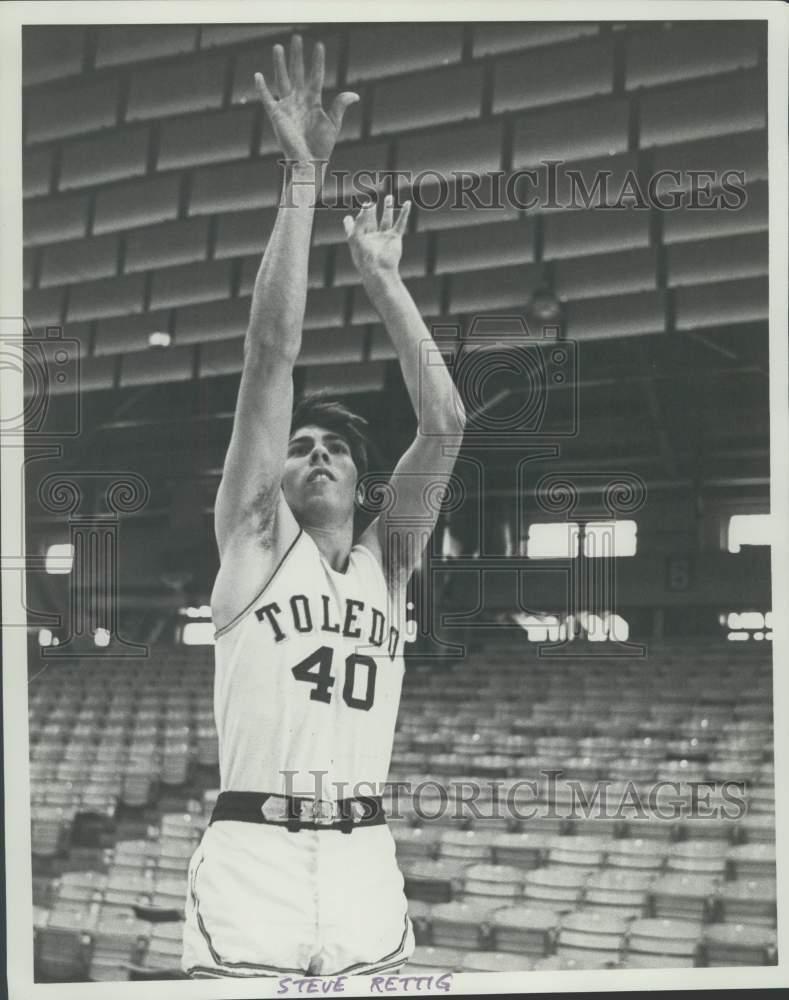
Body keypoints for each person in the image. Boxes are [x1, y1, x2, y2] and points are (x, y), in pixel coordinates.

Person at [181, 35, 465, 979]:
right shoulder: (255, 542)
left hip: (364, 863)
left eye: (334, 446)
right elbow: (272, 355)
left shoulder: (389, 565)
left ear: (361, 483)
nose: (313, 452)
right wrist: (303, 182)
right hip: (254, 856)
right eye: (300, 443)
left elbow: (447, 424)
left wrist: (385, 283)